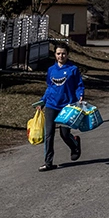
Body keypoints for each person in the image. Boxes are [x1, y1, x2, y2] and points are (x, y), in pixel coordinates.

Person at [39, 43, 84, 171]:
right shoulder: (51, 70)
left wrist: (80, 95)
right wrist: (42, 101)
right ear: (55, 54)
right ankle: (48, 162)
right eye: (58, 53)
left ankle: (74, 144)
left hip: (67, 106)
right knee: (49, 134)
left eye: (63, 53)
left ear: (67, 54)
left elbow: (79, 85)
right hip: (51, 104)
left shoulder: (73, 69)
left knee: (64, 133)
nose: (61, 56)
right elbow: (50, 87)